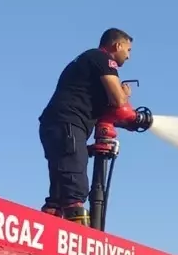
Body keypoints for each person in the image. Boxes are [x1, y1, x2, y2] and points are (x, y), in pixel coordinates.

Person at [38, 28, 135, 224]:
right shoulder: (103, 59)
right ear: (117, 45)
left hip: (57, 125)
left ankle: (48, 236)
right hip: (69, 125)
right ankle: (80, 246)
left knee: (58, 194)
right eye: (128, 49)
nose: (129, 56)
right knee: (76, 191)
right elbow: (118, 101)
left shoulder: (86, 60)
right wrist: (125, 94)